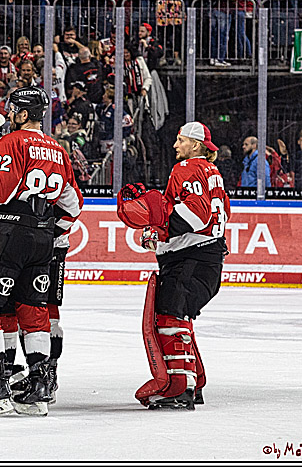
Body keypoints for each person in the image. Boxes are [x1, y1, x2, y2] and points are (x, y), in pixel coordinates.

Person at [0, 87, 82, 416]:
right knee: (33, 310)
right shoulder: (57, 149)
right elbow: (73, 205)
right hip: (42, 237)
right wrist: (48, 230)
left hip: (10, 231)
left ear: (23, 114)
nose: (9, 115)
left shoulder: (12, 141)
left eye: (12, 110)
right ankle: (39, 388)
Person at [122, 121, 231, 410]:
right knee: (178, 317)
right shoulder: (212, 171)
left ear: (195, 145)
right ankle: (194, 382)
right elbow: (219, 214)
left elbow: (196, 213)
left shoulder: (187, 168)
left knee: (170, 317)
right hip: (207, 257)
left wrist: (160, 231)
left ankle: (180, 388)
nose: (175, 145)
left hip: (190, 259)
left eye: (180, 140)